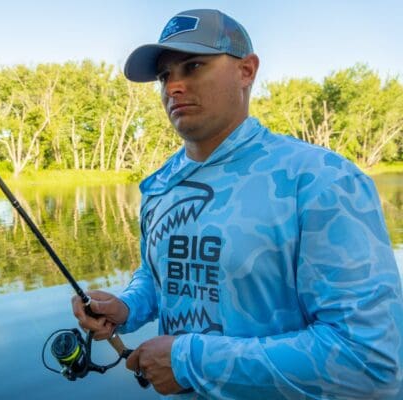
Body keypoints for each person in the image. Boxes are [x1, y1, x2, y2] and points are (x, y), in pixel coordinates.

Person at [73, 9, 403, 399]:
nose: (173, 87)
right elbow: (158, 274)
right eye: (164, 76)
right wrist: (127, 308)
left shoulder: (322, 181)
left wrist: (188, 361)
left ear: (247, 71)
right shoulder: (159, 185)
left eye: (193, 66)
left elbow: (371, 361)